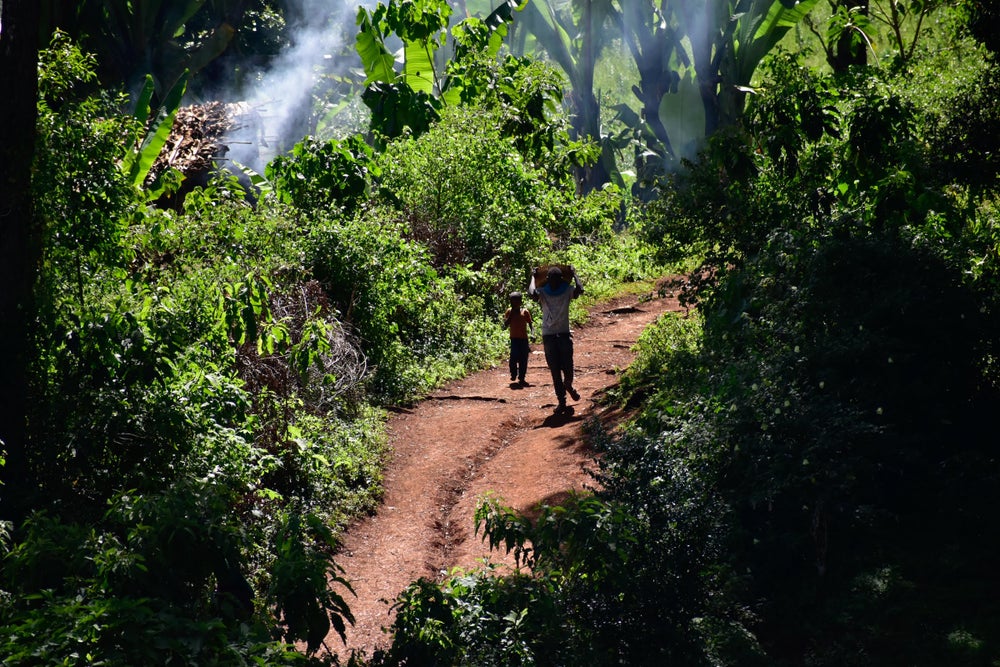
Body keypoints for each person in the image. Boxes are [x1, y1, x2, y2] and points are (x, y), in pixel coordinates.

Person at [528, 265, 584, 413]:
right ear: (548, 280)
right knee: (557, 370)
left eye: (555, 279)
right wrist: (574, 274)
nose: (553, 282)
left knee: (566, 368)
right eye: (552, 279)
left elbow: (580, 290)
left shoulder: (564, 291)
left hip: (558, 335)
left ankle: (568, 388)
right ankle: (562, 400)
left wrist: (533, 277)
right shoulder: (554, 291)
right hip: (552, 336)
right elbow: (532, 293)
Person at [503, 291, 533, 385]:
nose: (514, 303)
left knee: (523, 359)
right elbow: (505, 325)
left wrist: (533, 333)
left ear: (520, 302)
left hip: (523, 339)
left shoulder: (525, 312)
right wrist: (511, 313)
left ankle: (522, 378)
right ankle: (513, 373)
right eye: (512, 301)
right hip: (514, 339)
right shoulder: (509, 311)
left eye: (516, 301)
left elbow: (530, 324)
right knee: (513, 357)